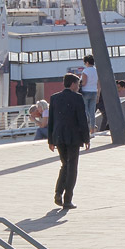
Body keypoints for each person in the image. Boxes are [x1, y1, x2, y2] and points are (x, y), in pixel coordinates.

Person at [47, 70, 90, 209]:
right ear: (72, 84)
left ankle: (58, 192)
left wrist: (50, 140)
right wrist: (86, 138)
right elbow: (82, 120)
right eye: (77, 84)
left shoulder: (54, 98)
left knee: (65, 165)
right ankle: (67, 199)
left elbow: (51, 120)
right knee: (72, 168)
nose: (78, 87)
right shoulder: (77, 98)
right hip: (74, 137)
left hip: (58, 136)